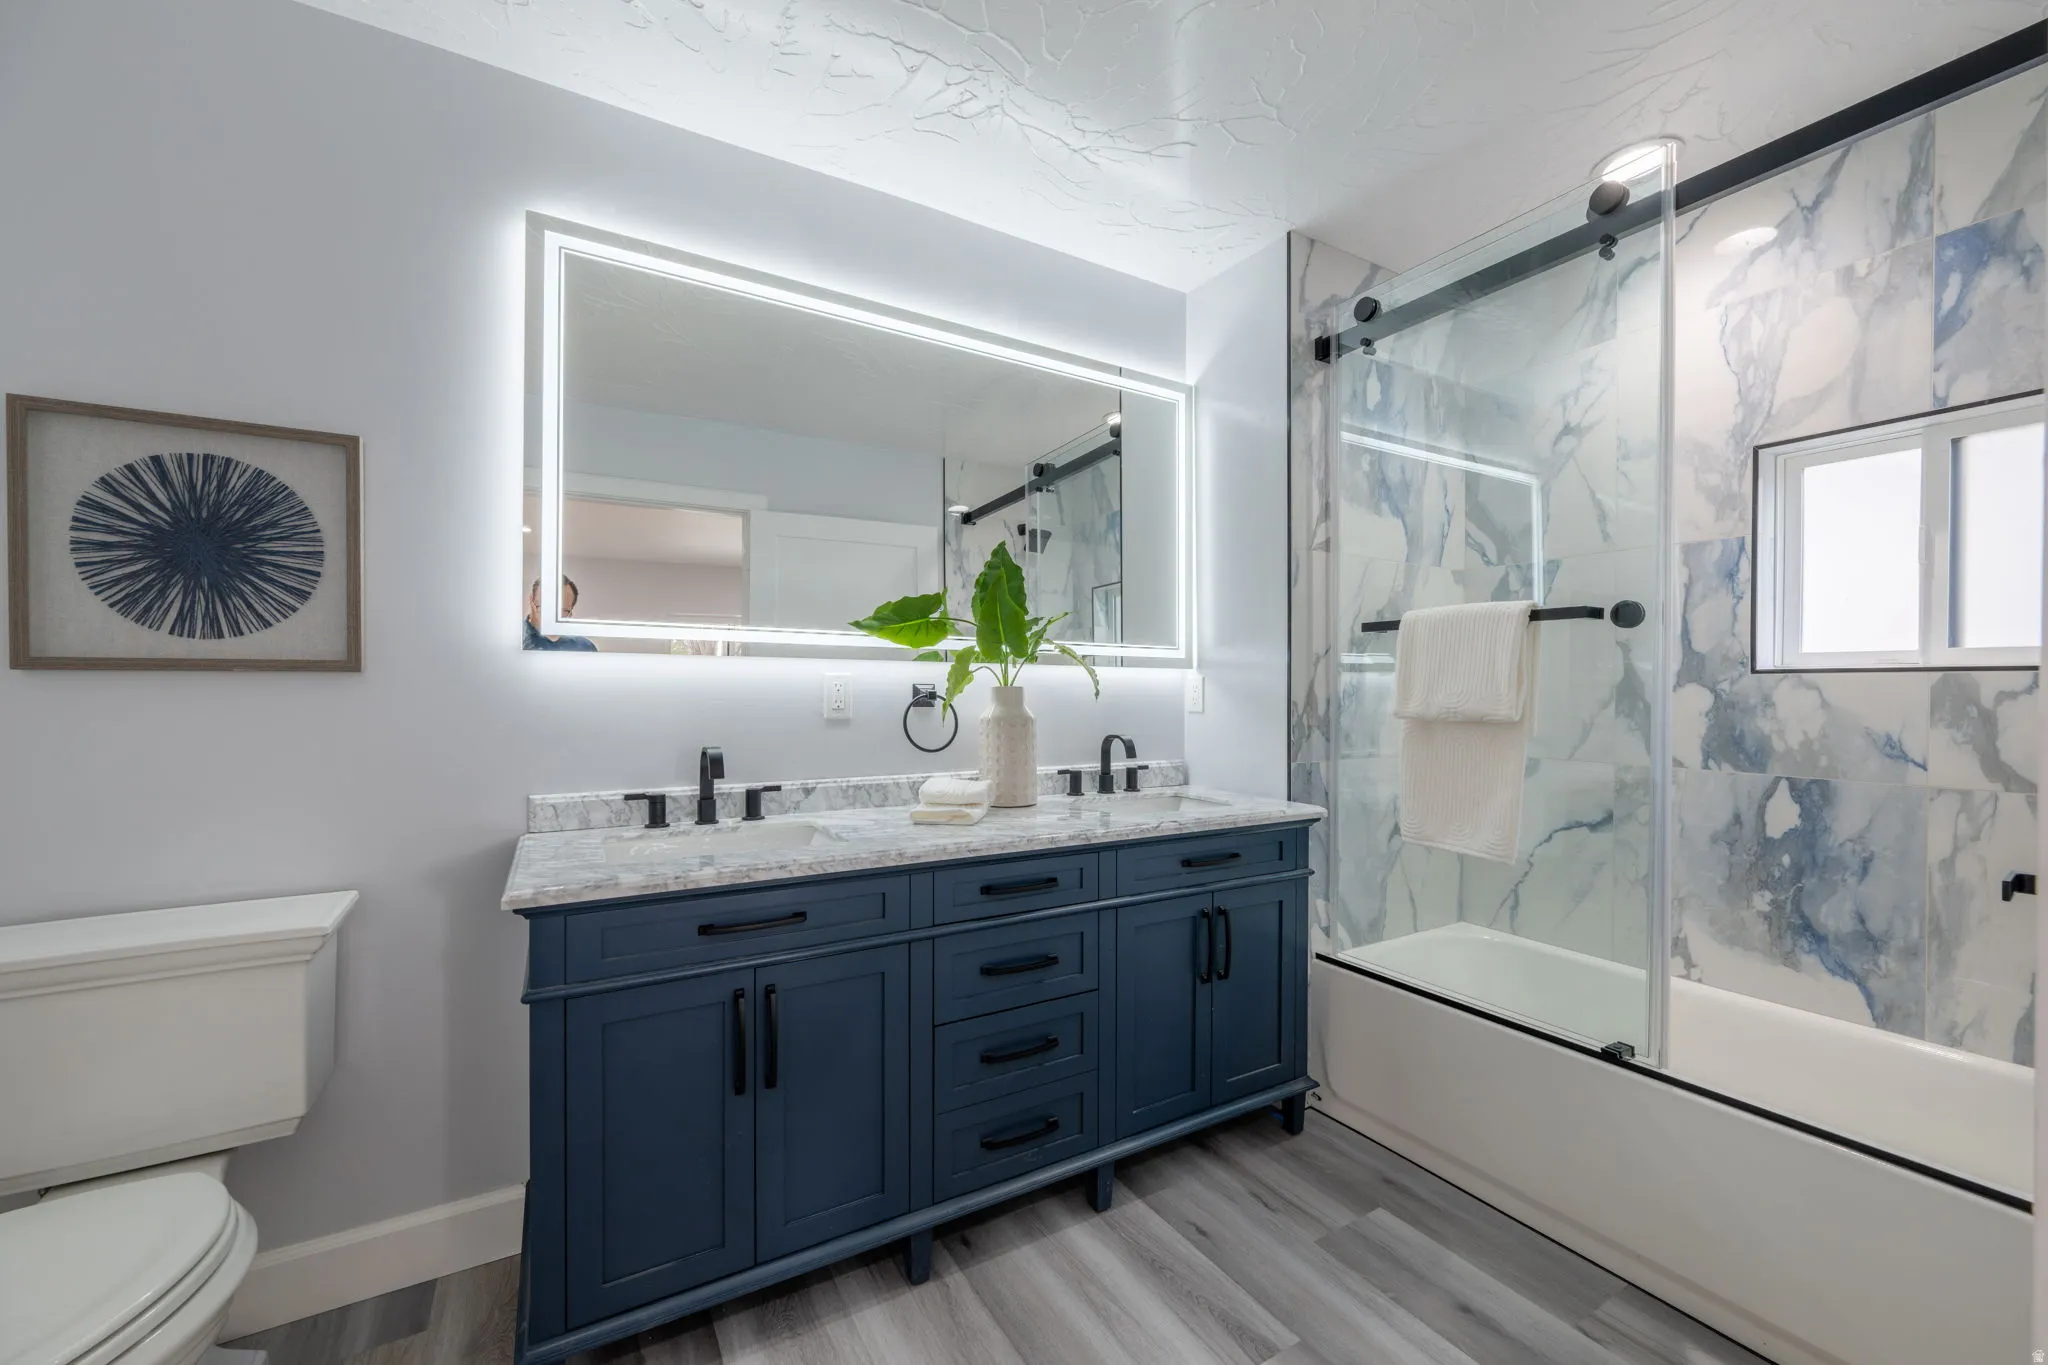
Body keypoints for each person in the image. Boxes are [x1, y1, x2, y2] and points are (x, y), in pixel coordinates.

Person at [524, 576, 597, 651]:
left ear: (570, 613)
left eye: (563, 610)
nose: (553, 615)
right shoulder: (515, 639)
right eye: (546, 606)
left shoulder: (585, 647)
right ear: (531, 601)